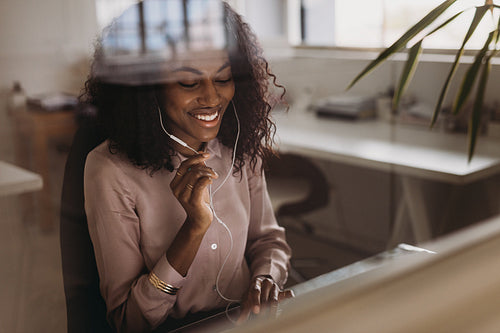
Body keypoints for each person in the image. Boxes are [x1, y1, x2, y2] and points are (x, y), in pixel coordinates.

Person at [82, 0, 292, 332]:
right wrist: (192, 229)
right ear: (147, 91)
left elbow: (268, 241)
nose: (212, 97)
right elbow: (127, 321)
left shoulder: (238, 144)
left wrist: (265, 279)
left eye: (222, 78)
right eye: (188, 83)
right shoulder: (111, 170)